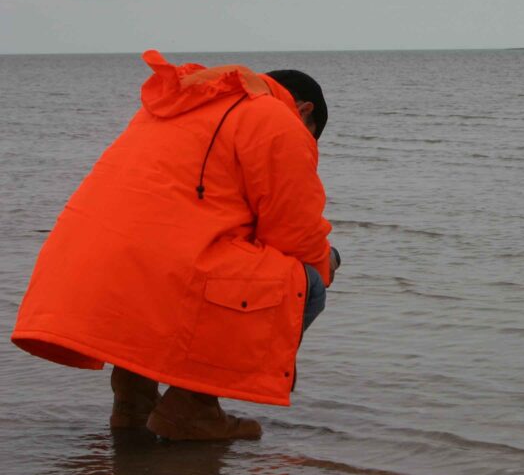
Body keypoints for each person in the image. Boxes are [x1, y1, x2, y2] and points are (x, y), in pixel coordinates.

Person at [10, 49, 339, 441]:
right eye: (311, 135)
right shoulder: (275, 117)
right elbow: (294, 233)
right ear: (303, 110)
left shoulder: (177, 105)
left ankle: (133, 404)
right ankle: (193, 408)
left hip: (87, 262)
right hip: (159, 266)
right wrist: (325, 265)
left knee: (157, 277)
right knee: (307, 285)